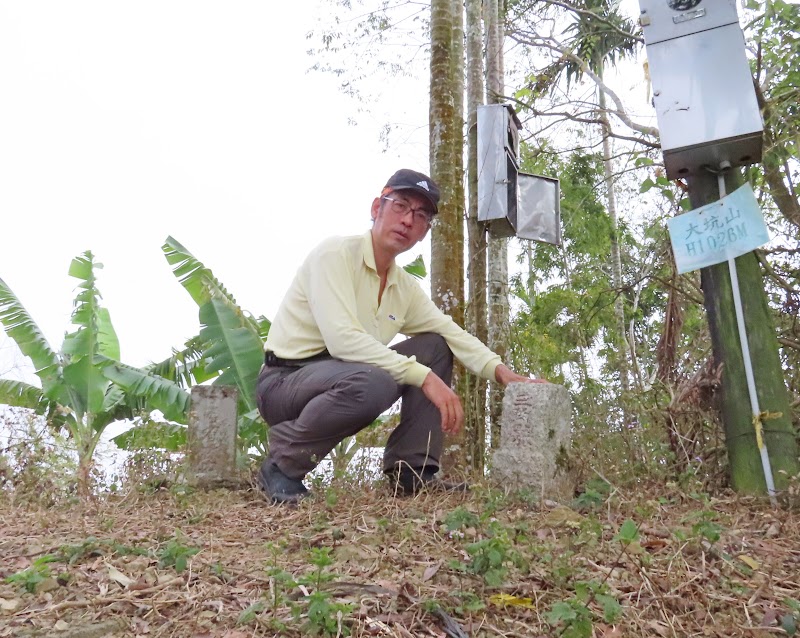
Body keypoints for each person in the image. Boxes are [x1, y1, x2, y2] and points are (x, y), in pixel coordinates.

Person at [255, 168, 546, 503]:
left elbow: (450, 332)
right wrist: (423, 377)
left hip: (342, 378)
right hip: (284, 383)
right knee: (373, 381)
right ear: (377, 207)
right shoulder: (334, 255)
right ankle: (282, 465)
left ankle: (411, 471)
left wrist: (505, 374)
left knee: (435, 346)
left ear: (425, 232)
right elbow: (343, 340)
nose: (408, 220)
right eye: (401, 206)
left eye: (420, 215)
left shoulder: (403, 286)